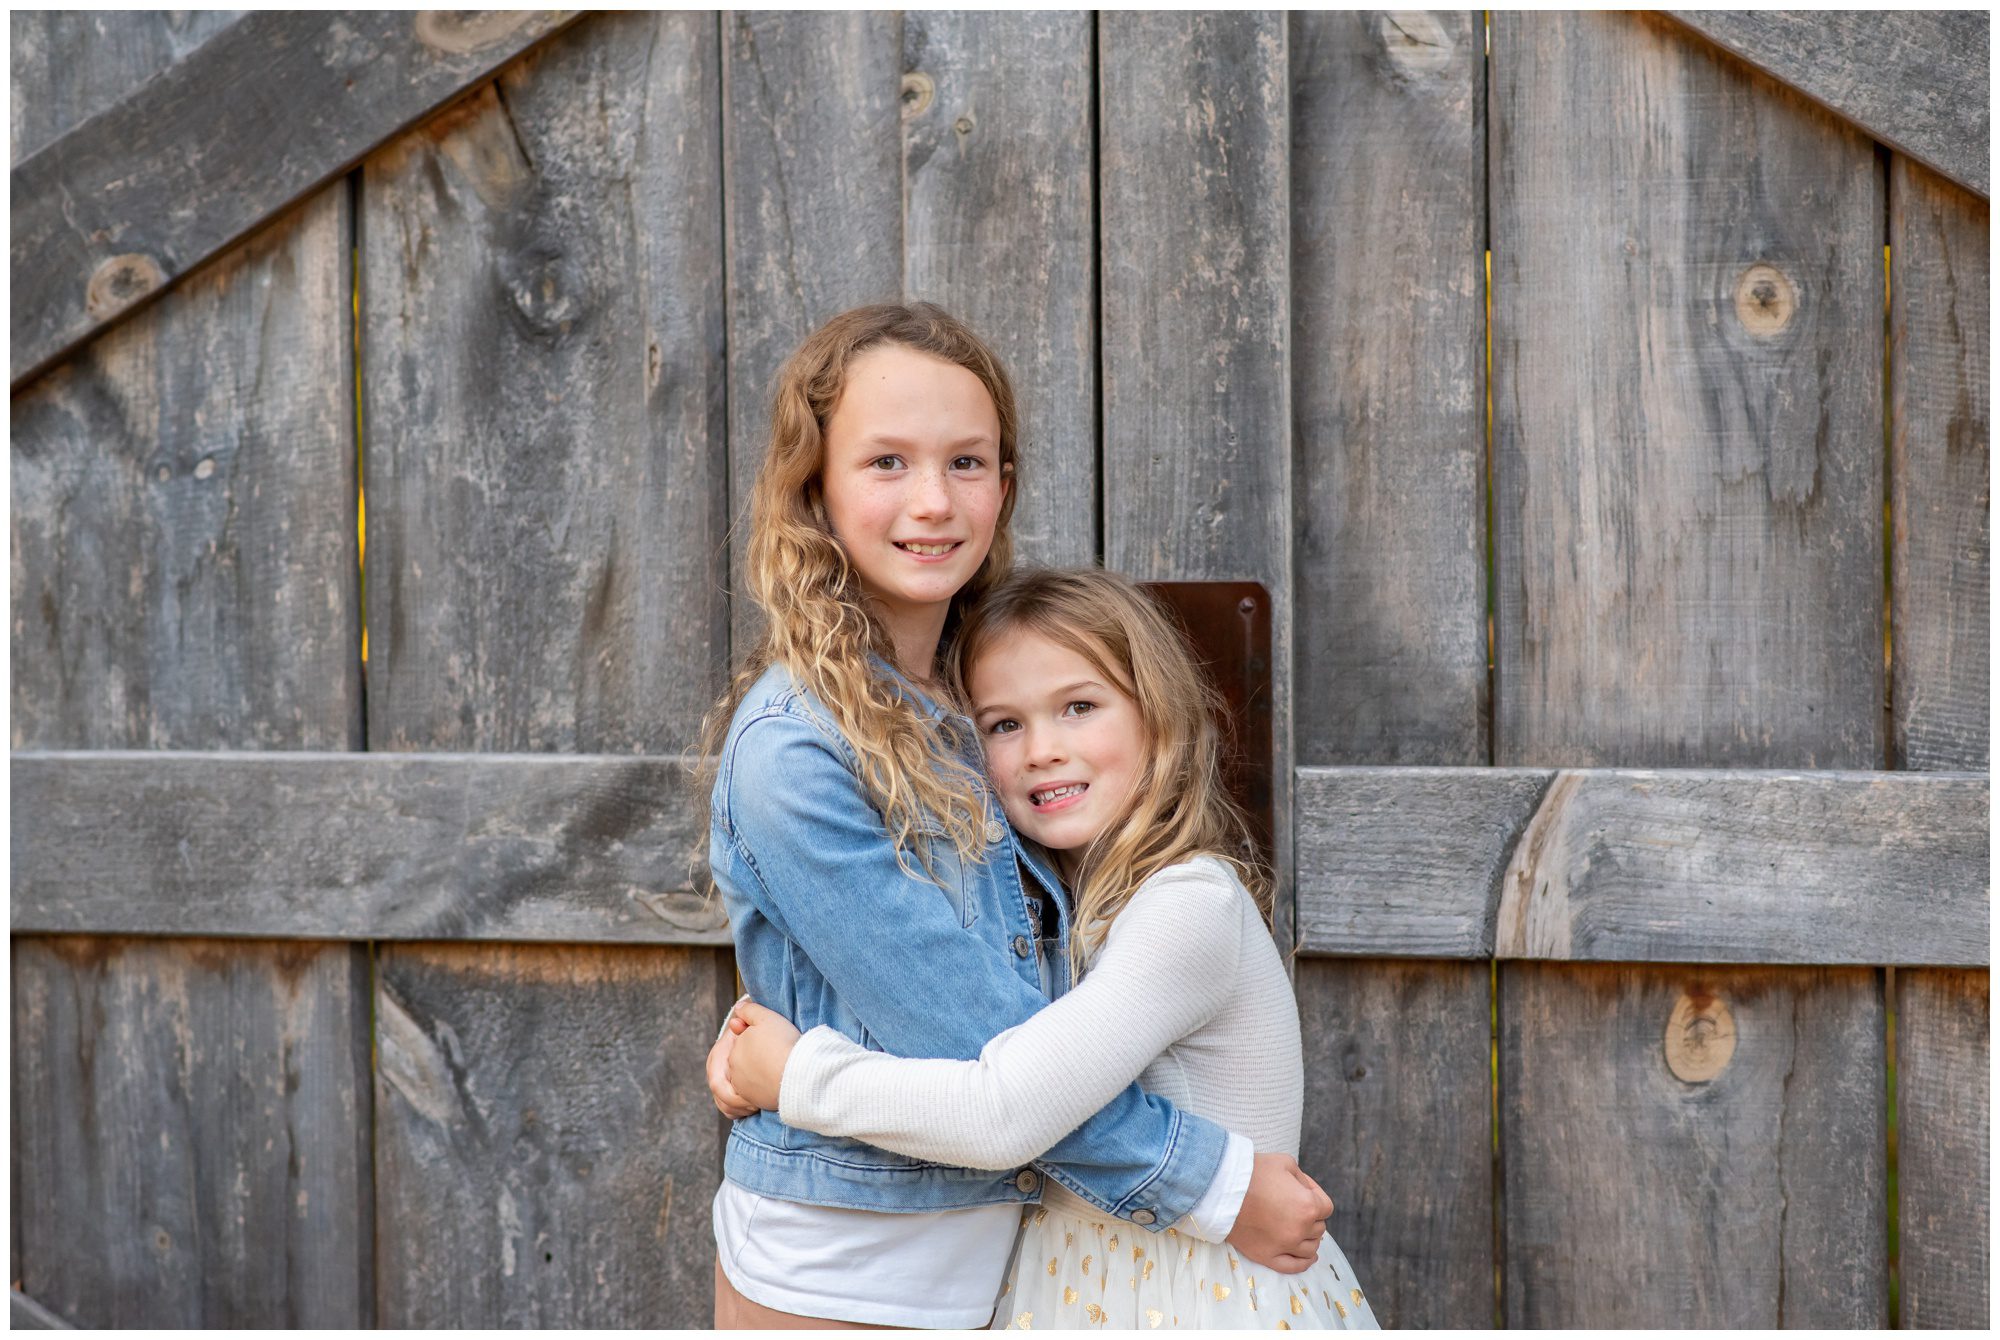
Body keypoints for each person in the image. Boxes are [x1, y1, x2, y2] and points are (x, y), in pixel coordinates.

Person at [700, 304, 1335, 1330]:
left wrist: (781, 1061)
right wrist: (1213, 1184)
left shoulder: (985, 695)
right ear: (812, 486)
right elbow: (977, 1042)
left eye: (966, 461)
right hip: (853, 1268)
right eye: (886, 462)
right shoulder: (795, 748)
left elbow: (1060, 988)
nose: (932, 499)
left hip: (1025, 1258)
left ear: (1004, 480)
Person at [720, 567, 1381, 1330]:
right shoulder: (1053, 905)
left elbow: (1004, 1110)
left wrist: (796, 1073)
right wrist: (757, 1020)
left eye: (1079, 707)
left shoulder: (1189, 907)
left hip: (1191, 1296)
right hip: (1078, 1283)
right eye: (1004, 724)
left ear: (1158, 717)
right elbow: (919, 990)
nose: (1042, 750)